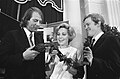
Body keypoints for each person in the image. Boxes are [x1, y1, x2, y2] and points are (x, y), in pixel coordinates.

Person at [0, 7, 45, 79]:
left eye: (40, 22)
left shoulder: (39, 38)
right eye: (35, 20)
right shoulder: (11, 35)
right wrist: (22, 57)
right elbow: (2, 60)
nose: (38, 24)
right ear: (26, 20)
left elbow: (40, 64)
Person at [83, 13, 120, 79]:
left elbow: (116, 67)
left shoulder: (111, 39)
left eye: (88, 24)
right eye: (84, 26)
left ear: (98, 24)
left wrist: (92, 60)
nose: (86, 28)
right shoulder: (91, 44)